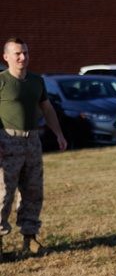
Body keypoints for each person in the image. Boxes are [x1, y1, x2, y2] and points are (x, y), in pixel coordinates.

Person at [0, 38, 67, 261]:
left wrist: (58, 133)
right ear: (6, 57)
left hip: (32, 142)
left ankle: (30, 237)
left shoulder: (37, 81)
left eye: (26, 53)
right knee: (3, 194)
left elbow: (46, 109)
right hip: (7, 141)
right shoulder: (2, 81)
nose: (23, 58)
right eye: (18, 54)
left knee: (33, 191)